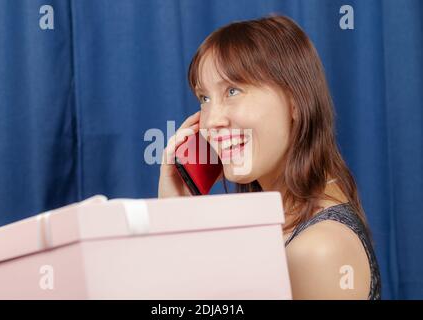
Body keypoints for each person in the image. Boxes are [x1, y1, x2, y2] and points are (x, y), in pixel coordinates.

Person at [158, 14, 380, 300]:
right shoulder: (279, 226)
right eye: (205, 98)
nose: (211, 121)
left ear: (295, 102)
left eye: (232, 90)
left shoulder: (318, 250)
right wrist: (175, 218)